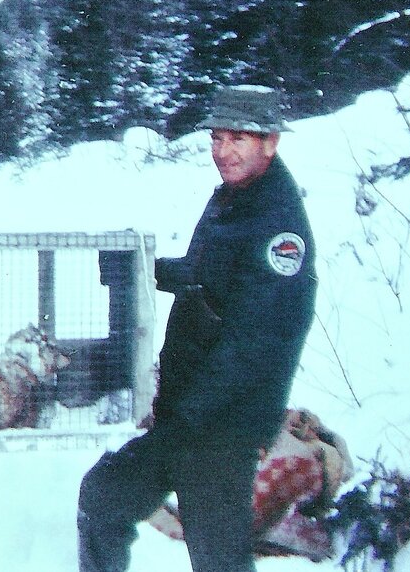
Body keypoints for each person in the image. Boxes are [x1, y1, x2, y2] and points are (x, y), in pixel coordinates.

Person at [78, 84, 317, 572]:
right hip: (187, 415)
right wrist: (143, 268)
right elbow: (203, 275)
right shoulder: (235, 198)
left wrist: (188, 417)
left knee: (217, 559)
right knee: (103, 496)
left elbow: (257, 344)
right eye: (216, 138)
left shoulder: (277, 227)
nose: (222, 151)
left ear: (270, 143)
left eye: (238, 139)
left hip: (223, 428)